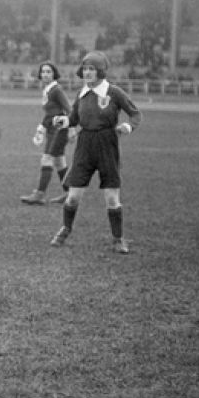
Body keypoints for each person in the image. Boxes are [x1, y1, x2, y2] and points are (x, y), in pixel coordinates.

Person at [49, 51, 141, 253]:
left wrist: (128, 127)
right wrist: (63, 121)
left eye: (91, 69)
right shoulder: (81, 93)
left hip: (107, 144)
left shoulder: (114, 92)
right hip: (85, 144)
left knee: (111, 197)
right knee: (73, 196)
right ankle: (66, 228)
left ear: (100, 71)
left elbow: (135, 114)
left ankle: (118, 239)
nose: (87, 72)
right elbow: (73, 118)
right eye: (85, 68)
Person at [20, 61, 72, 205]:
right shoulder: (48, 90)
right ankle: (69, 194)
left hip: (59, 129)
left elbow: (69, 110)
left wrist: (72, 129)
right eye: (43, 72)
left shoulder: (56, 90)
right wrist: (42, 127)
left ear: (54, 74)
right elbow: (51, 113)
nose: (45, 74)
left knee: (47, 159)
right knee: (59, 162)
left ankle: (39, 194)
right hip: (52, 129)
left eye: (49, 72)